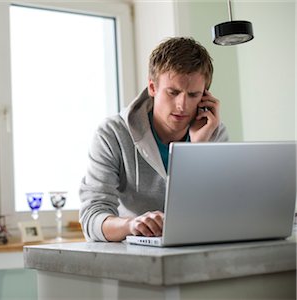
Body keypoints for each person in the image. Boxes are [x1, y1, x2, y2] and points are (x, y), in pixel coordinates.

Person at [79, 37, 229, 242]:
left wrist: (198, 150)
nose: (182, 105)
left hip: (196, 250)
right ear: (152, 88)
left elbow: (218, 211)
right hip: (133, 257)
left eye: (193, 94)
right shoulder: (112, 134)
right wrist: (131, 224)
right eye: (173, 92)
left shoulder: (213, 133)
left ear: (205, 96)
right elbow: (91, 218)